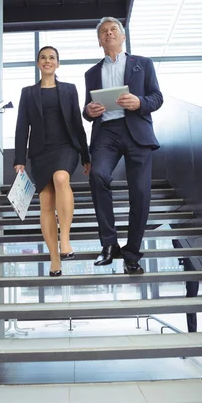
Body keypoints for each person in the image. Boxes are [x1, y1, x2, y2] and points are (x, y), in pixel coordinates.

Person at [83, 17, 163, 274]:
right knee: (98, 175)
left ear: (123, 36)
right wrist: (89, 110)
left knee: (140, 193)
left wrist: (139, 102)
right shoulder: (92, 73)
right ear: (99, 41)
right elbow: (87, 109)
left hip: (136, 131)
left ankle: (132, 254)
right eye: (104, 32)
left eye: (113, 29)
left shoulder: (143, 64)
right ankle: (109, 244)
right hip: (106, 132)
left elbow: (157, 97)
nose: (108, 34)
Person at [14, 46, 90, 277]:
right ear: (38, 63)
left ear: (58, 64)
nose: (47, 61)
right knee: (46, 201)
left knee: (61, 177)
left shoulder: (69, 89)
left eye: (52, 58)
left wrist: (85, 155)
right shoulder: (28, 93)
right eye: (43, 58)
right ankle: (54, 258)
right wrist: (19, 160)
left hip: (65, 146)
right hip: (39, 152)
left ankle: (65, 240)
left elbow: (77, 123)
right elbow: (21, 127)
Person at [172, 239, 202, 332]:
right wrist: (182, 256)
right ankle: (194, 330)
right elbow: (176, 237)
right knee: (192, 296)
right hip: (191, 257)